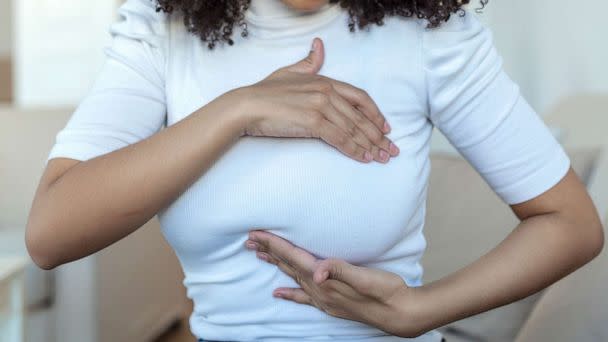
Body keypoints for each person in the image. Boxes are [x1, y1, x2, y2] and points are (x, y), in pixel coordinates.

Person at [26, 0, 604, 341]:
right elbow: (51, 234)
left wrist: (418, 310)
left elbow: (570, 222)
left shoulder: (426, 32)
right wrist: (240, 110)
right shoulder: (161, 28)